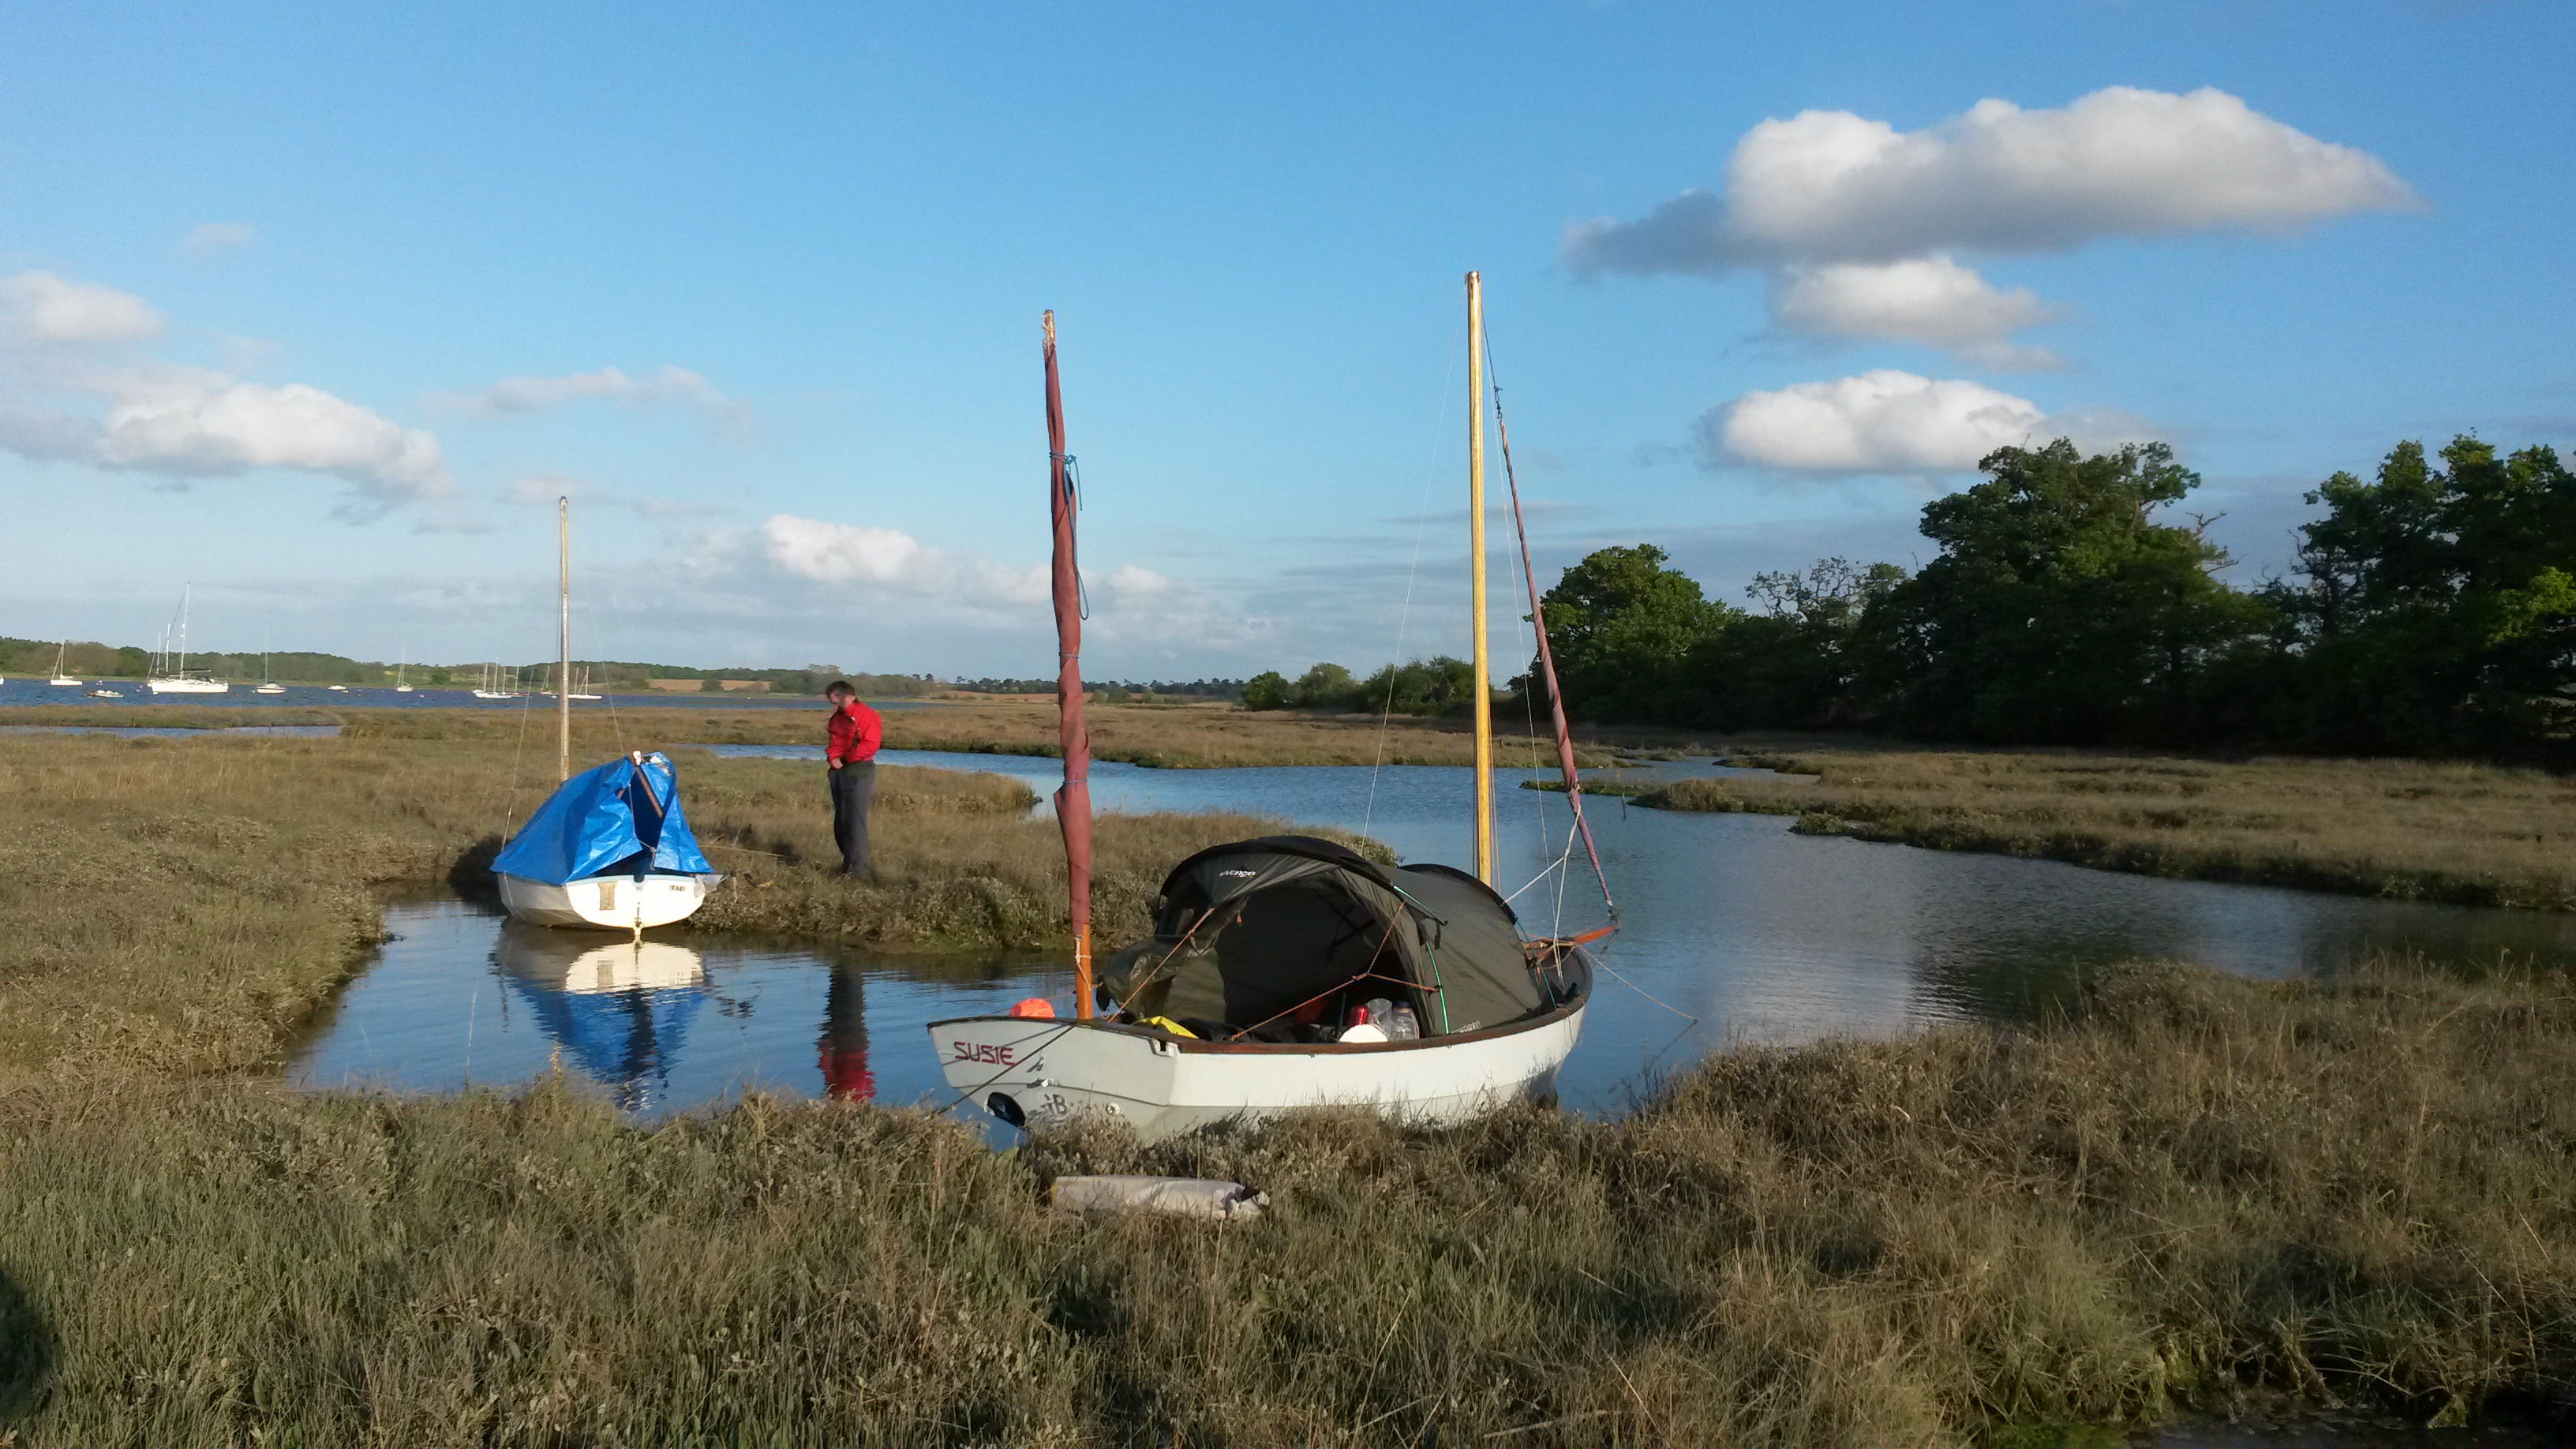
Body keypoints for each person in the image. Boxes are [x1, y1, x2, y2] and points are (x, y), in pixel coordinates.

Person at [823, 680, 882, 878]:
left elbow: (870, 745)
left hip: (859, 770)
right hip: (838, 771)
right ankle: (848, 863)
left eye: (835, 699)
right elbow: (833, 741)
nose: (833, 704)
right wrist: (832, 758)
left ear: (847, 696)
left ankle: (858, 871)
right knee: (841, 821)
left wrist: (844, 759)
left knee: (854, 821)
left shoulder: (867, 716)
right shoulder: (837, 718)